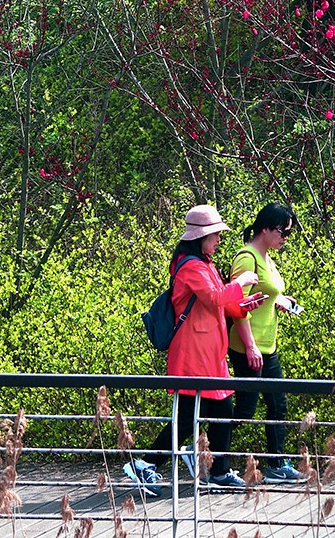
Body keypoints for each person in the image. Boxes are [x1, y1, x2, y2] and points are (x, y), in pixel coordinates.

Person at [125, 204, 264, 496]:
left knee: (221, 410)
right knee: (189, 416)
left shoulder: (205, 264)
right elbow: (214, 297)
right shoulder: (190, 266)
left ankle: (218, 471)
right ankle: (146, 464)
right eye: (214, 235)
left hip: (209, 353)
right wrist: (239, 283)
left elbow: (221, 302)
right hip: (192, 353)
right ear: (199, 237)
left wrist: (243, 306)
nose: (218, 240)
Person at [227, 203, 303, 482]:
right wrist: (249, 346)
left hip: (267, 346)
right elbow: (236, 305)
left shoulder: (267, 257)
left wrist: (280, 301)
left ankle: (276, 464)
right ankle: (203, 452)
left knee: (277, 404)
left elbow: (264, 294)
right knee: (245, 409)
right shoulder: (247, 258)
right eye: (282, 232)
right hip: (249, 345)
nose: (285, 238)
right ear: (265, 228)